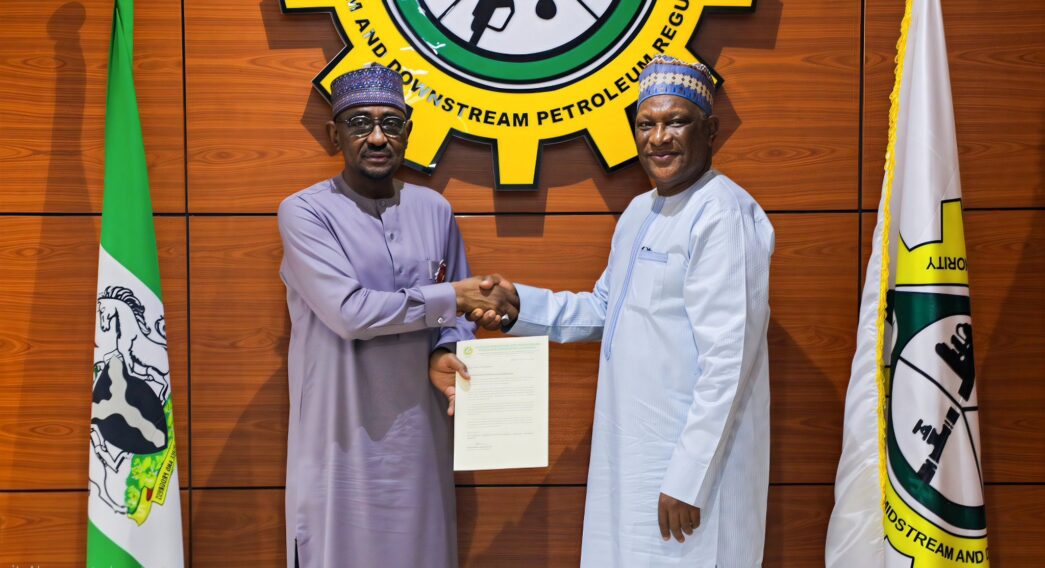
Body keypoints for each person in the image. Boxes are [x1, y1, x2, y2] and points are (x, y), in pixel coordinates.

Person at [469, 55, 774, 566]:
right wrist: (519, 307)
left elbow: (729, 361)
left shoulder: (722, 213)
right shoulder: (639, 211)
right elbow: (607, 310)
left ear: (710, 131)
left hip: (689, 469)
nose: (659, 138)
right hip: (630, 455)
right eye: (646, 124)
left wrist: (688, 478)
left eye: (677, 122)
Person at [277, 63, 515, 568]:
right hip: (339, 442)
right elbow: (350, 313)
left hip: (420, 442)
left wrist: (446, 349)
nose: (378, 137)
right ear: (334, 135)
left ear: (408, 131)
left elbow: (458, 316)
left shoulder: (435, 210)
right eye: (360, 123)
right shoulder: (304, 212)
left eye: (391, 123)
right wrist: (452, 298)